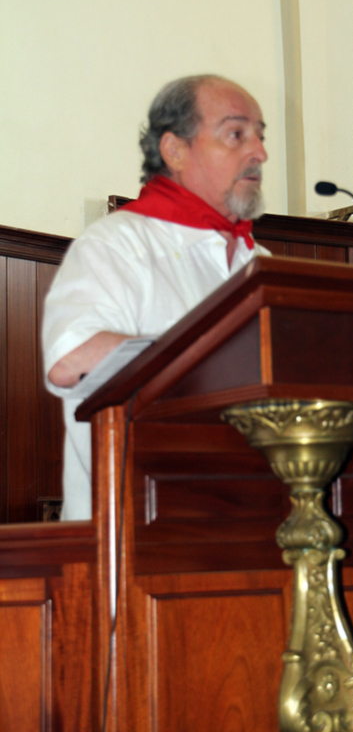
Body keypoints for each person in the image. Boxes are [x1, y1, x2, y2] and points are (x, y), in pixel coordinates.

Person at [43, 74, 271, 521]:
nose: (259, 152)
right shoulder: (116, 244)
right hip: (133, 529)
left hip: (245, 521)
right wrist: (216, 359)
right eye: (236, 134)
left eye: (260, 136)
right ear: (175, 150)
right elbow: (70, 359)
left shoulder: (260, 262)